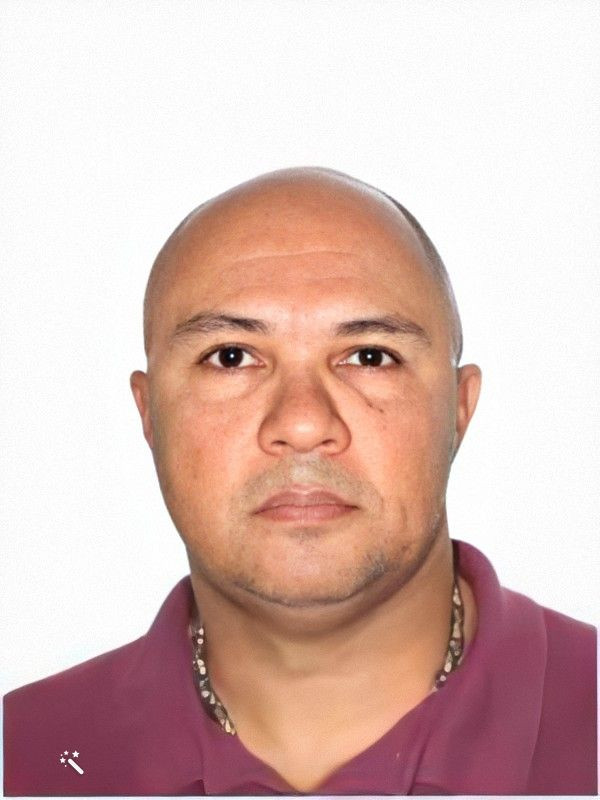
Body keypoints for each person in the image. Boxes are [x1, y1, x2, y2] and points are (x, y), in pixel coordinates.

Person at [3, 168, 596, 796]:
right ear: (150, 414)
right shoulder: (22, 757)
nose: (304, 424)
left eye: (370, 356)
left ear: (459, 408)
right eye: (231, 357)